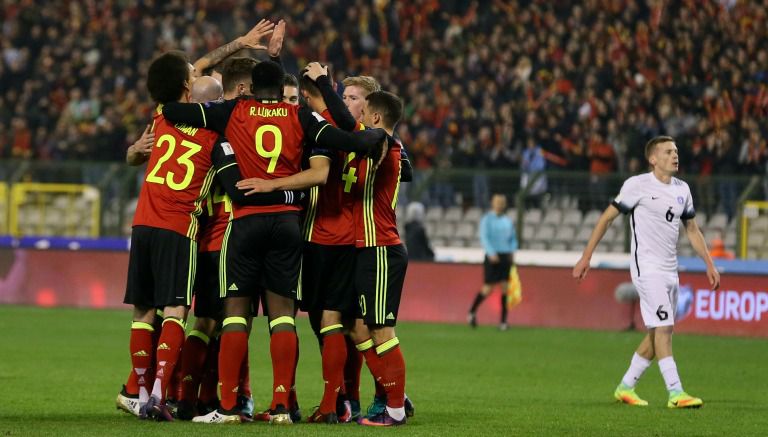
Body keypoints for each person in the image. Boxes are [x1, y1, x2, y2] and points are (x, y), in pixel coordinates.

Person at [162, 59, 387, 424]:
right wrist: (373, 137)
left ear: (250, 86)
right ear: (280, 90)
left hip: (245, 222)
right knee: (283, 316)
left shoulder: (232, 109)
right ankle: (282, 406)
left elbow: (175, 112)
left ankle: (230, 407)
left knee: (235, 314)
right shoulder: (299, 115)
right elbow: (346, 138)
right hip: (287, 224)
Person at [572, 135, 720, 409]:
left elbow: (691, 229)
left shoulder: (682, 190)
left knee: (658, 334)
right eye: (667, 152)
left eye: (676, 151)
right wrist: (586, 256)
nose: (675, 156)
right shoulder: (637, 185)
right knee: (664, 327)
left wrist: (709, 263)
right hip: (647, 268)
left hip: (670, 270)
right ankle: (676, 393)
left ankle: (626, 386)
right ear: (653, 159)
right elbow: (606, 218)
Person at [347, 90, 410, 426]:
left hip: (382, 248)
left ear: (374, 118)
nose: (358, 115)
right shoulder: (377, 141)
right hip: (367, 249)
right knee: (357, 328)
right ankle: (392, 391)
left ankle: (395, 410)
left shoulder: (384, 143)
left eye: (363, 109)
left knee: (381, 330)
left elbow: (366, 138)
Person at [467, 193, 518, 331]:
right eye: (497, 202)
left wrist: (512, 250)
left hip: (505, 255)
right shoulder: (487, 220)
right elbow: (484, 237)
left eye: (502, 202)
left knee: (505, 288)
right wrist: (491, 253)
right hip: (492, 256)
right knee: (488, 288)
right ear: (493, 203)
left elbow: (513, 237)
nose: (500, 205)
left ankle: (503, 321)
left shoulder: (508, 220)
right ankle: (471, 311)